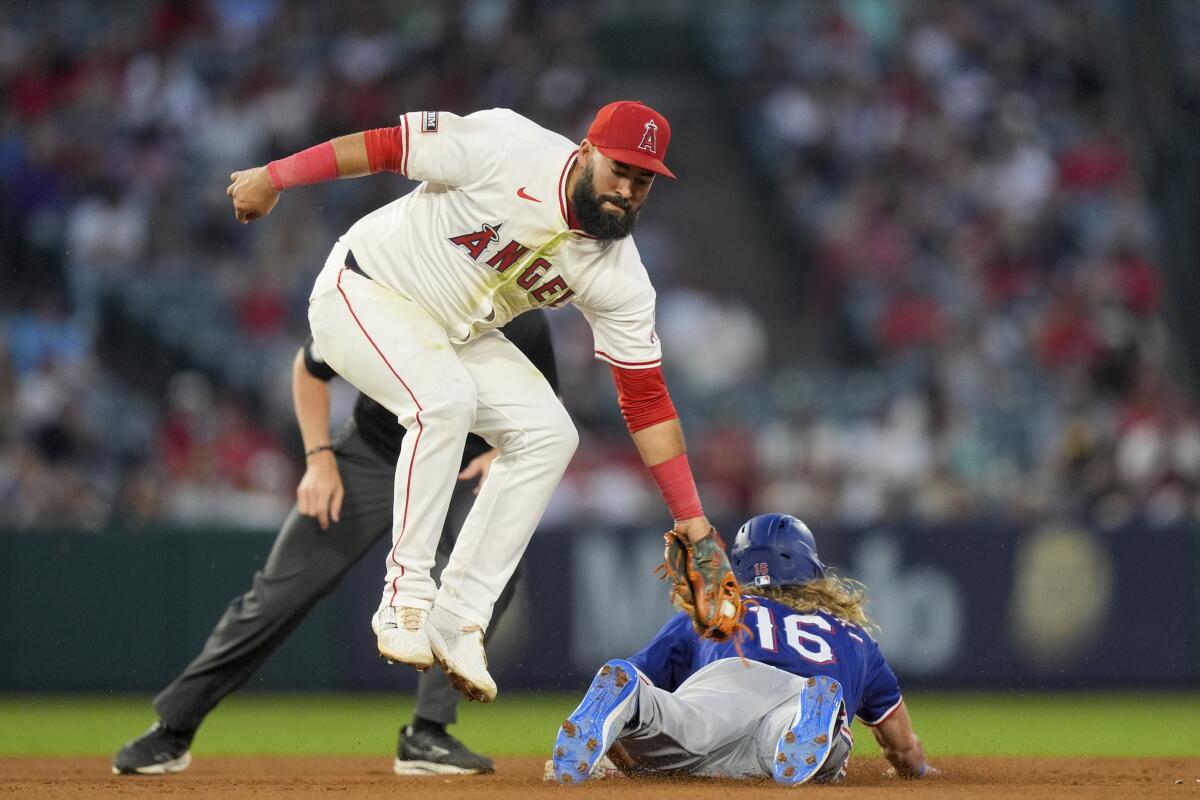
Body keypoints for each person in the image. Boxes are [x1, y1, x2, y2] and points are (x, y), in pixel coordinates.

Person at [225, 100, 739, 703]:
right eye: (619, 170)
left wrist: (692, 520)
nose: (627, 190)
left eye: (643, 179)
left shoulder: (620, 275)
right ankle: (405, 602)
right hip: (362, 290)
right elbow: (387, 147)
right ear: (587, 152)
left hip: (454, 331)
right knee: (444, 402)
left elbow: (646, 401)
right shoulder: (506, 144)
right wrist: (275, 176)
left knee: (552, 435)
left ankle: (459, 616)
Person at [112, 311, 558, 777]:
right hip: (368, 458)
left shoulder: (525, 321)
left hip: (450, 478)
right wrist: (318, 458)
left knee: (485, 582)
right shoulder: (406, 292)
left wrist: (495, 453)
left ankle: (428, 735)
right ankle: (173, 729)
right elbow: (308, 367)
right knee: (276, 596)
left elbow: (543, 413)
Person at [548, 513, 935, 786]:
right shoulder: (854, 637)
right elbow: (901, 747)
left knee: (671, 721)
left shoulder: (718, 612)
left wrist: (630, 761)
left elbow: (647, 674)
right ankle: (817, 718)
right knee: (801, 750)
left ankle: (631, 697)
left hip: (723, 685)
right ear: (810, 565)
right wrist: (916, 771)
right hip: (800, 693)